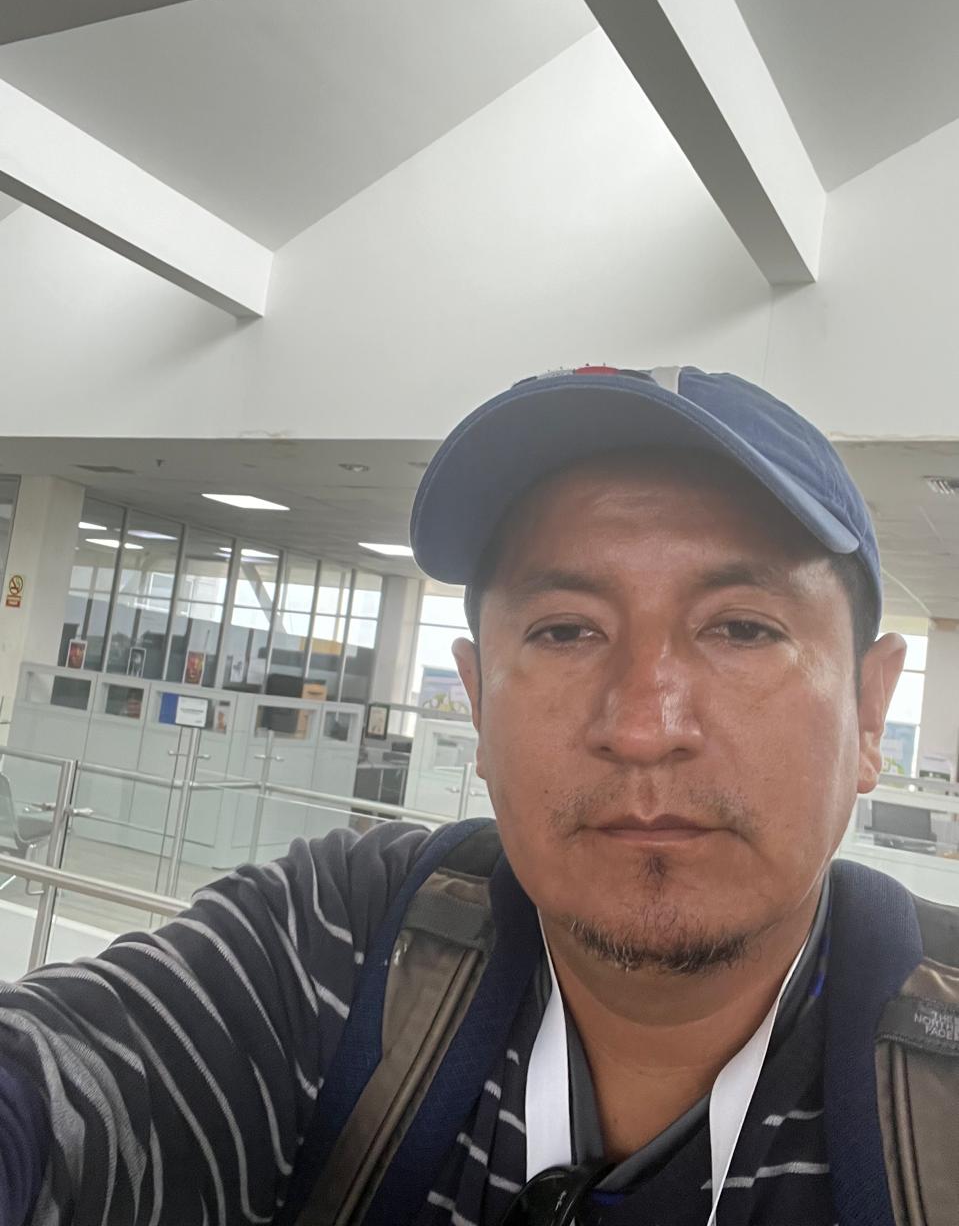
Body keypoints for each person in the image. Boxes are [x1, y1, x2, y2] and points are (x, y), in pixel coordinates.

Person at [0, 365, 957, 1226]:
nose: (642, 725)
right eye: (564, 631)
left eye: (741, 628)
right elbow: (54, 1084)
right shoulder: (347, 942)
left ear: (868, 712)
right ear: (478, 702)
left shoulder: (933, 1079)